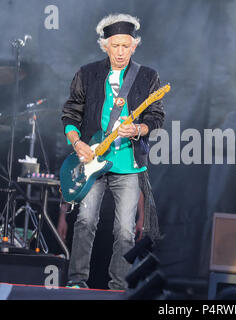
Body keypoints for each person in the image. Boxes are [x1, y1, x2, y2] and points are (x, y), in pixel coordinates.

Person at [61, 13, 164, 290]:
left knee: (125, 231)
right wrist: (77, 143)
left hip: (128, 163)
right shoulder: (87, 73)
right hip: (93, 160)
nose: (120, 52)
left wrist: (139, 129)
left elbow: (156, 117)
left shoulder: (147, 77)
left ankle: (118, 288)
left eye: (126, 46)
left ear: (135, 46)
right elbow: (70, 114)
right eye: (115, 45)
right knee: (84, 221)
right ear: (105, 45)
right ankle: (76, 281)